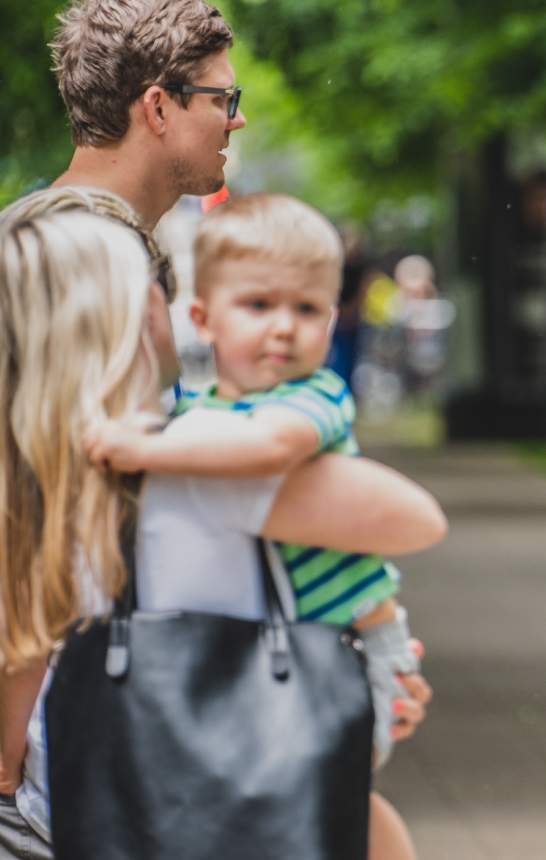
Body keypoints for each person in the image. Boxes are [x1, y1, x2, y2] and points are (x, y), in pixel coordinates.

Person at [0, 204, 446, 859]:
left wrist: (5, 753)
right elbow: (417, 519)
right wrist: (364, 664)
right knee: (361, 820)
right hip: (228, 778)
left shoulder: (24, 486)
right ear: (146, 313)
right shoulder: (199, 457)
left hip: (79, 796)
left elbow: (22, 648)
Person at [0, 0, 248, 850]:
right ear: (158, 105)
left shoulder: (8, 238)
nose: (235, 118)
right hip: (64, 707)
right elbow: (81, 496)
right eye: (222, 96)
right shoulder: (99, 259)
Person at [82, 193, 426, 857]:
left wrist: (140, 448)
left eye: (307, 309)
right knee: (322, 802)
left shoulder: (313, 396)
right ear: (204, 318)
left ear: (333, 319)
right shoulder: (200, 406)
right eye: (259, 306)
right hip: (292, 642)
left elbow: (267, 450)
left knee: (329, 795)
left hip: (353, 641)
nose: (283, 329)